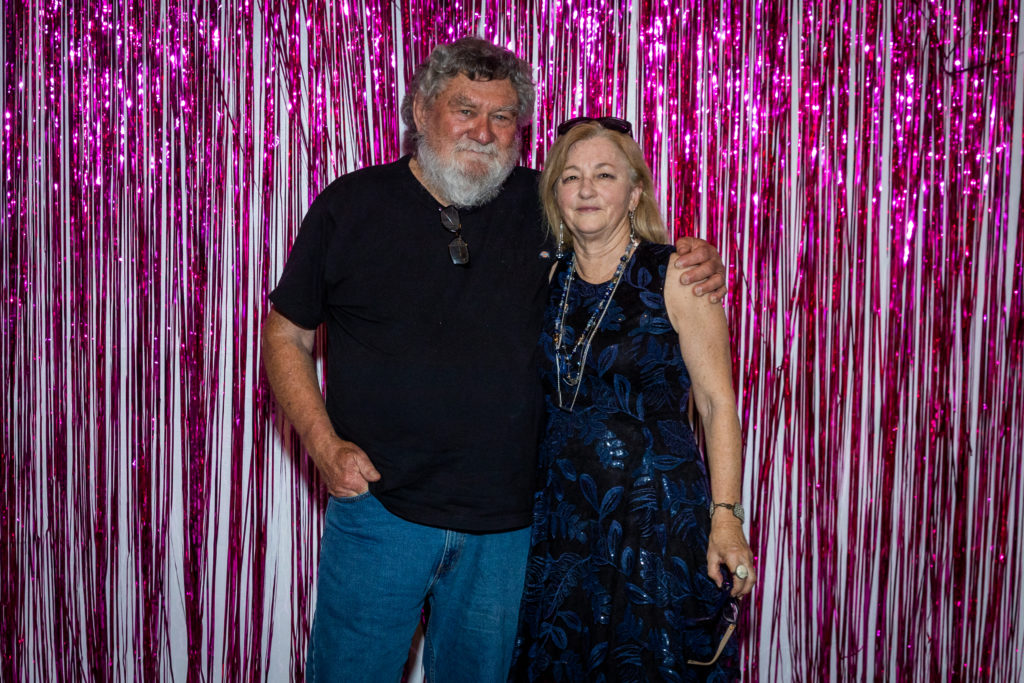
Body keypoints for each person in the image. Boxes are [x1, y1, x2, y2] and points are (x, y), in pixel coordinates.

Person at [262, 38, 728, 683]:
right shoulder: (350, 205)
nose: (483, 131)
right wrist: (321, 444)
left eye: (502, 116)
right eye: (465, 110)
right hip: (380, 511)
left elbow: (620, 243)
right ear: (420, 112)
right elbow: (285, 337)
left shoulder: (546, 204)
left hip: (509, 529)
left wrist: (691, 254)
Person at [509, 118, 755, 682]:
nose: (586, 189)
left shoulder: (678, 274)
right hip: (563, 519)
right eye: (571, 177)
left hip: (655, 517)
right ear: (555, 195)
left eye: (604, 175)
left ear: (634, 192)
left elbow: (717, 403)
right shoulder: (546, 280)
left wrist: (726, 518)